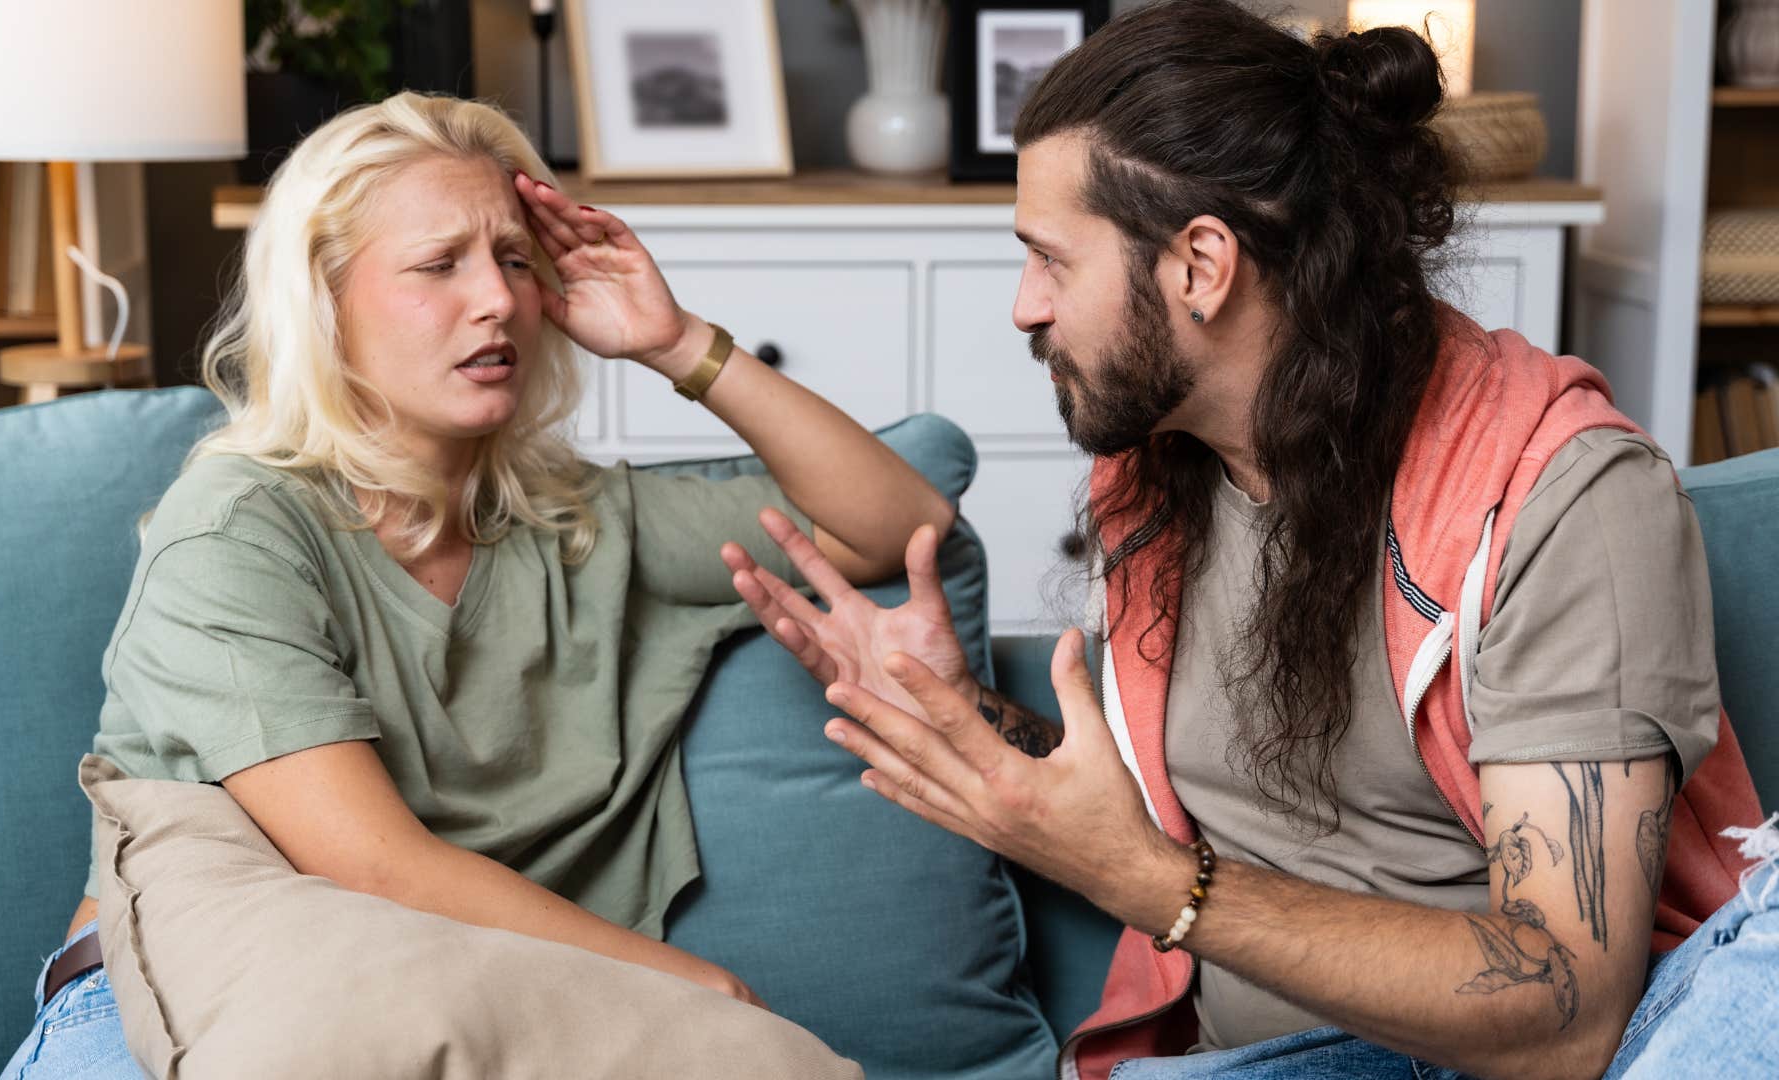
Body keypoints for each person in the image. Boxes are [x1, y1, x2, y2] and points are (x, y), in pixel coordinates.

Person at [719, 2, 1777, 1077]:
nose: (1025, 308)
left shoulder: (1559, 497)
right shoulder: (1157, 476)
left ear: (1200, 266)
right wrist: (970, 718)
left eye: (1051, 260)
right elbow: (1159, 816)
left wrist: (1154, 886)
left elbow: (1570, 1013)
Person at [0, 91, 951, 1078]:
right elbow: (369, 863)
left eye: (511, 259)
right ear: (324, 301)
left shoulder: (575, 519)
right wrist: (697, 990)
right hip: (179, 1007)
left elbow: (895, 525)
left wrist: (677, 345)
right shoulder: (238, 526)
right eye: (438, 264)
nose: (495, 298)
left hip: (483, 1000)